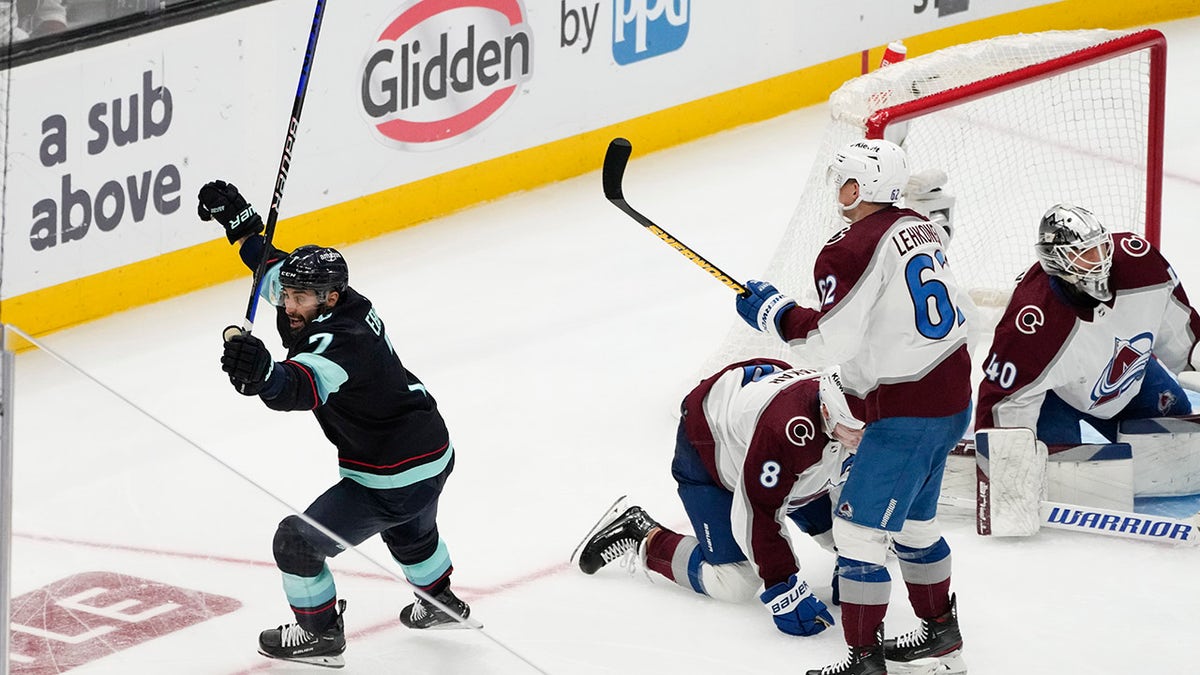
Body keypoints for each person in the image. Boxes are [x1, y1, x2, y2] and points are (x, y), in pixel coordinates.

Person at [197, 180, 472, 668]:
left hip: (389, 472)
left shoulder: (341, 340)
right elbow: (268, 263)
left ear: (328, 297)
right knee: (410, 530)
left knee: (296, 543)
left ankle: (319, 635)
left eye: (299, 299)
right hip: (430, 450)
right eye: (289, 295)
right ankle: (440, 602)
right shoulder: (328, 300)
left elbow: (299, 388)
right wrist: (239, 222)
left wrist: (262, 374)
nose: (287, 306)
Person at [735, 139, 971, 675]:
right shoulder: (921, 224)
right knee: (913, 527)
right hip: (953, 397)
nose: (835, 188)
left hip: (907, 410)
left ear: (860, 186)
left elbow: (828, 344)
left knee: (859, 536)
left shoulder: (847, 248)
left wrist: (779, 315)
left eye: (843, 178)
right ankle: (942, 637)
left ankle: (863, 663)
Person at [574, 360, 864, 638]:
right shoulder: (785, 432)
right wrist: (782, 586)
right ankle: (641, 534)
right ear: (826, 410)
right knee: (734, 582)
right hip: (710, 448)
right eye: (853, 429)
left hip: (766, 423)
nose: (864, 439)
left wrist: (853, 554)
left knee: (856, 540)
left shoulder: (871, 416)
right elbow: (757, 511)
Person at [976, 203, 1200, 443]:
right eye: (1084, 253)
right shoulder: (1032, 320)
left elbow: (1185, 337)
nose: (1100, 259)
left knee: (1178, 434)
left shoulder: (1142, 266)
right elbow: (1006, 401)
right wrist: (1005, 460)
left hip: (1127, 377)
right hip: (1053, 398)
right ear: (1055, 259)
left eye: (1101, 247)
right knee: (1053, 468)